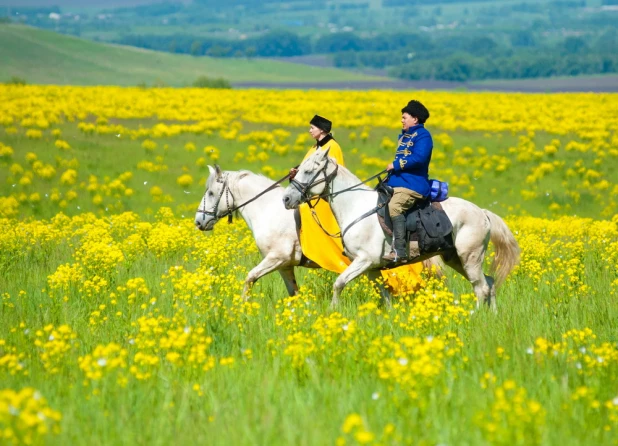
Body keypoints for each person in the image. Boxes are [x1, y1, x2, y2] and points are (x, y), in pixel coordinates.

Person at [292, 115, 425, 293]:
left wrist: (397, 165)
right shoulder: (316, 147)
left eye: (312, 127)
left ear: (322, 129)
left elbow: (332, 174)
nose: (309, 130)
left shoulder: (332, 147)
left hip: (327, 200)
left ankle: (397, 250)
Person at [383, 100, 433, 263]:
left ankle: (400, 251)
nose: (402, 120)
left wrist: (395, 165)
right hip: (399, 181)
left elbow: (419, 158)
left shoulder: (423, 136)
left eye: (405, 117)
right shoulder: (406, 135)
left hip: (413, 184)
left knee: (395, 206)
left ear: (415, 119)